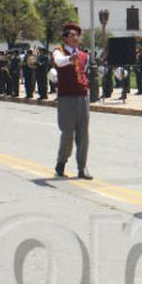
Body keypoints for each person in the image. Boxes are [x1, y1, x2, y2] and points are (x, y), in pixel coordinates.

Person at [52, 23, 92, 179]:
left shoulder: (84, 56)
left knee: (83, 135)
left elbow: (84, 72)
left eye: (77, 35)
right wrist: (70, 58)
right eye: (72, 35)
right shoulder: (59, 52)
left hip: (82, 97)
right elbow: (60, 62)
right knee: (67, 133)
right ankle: (61, 162)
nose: (76, 38)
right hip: (66, 98)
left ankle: (82, 168)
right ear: (65, 38)